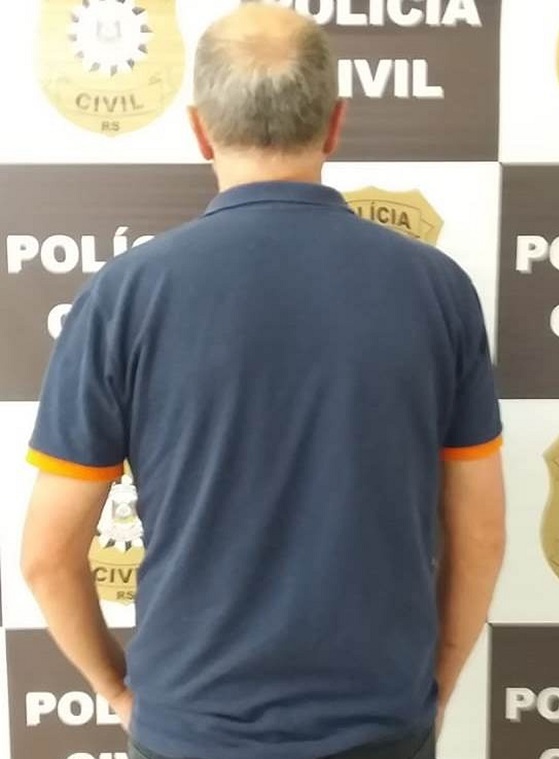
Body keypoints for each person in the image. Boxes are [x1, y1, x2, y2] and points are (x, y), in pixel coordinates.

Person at [20, 4, 506, 759]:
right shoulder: (437, 291)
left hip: (189, 731)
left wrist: (118, 694)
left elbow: (47, 556)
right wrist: (434, 687)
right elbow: (480, 534)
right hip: (380, 725)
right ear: (336, 123)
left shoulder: (124, 296)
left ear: (199, 129)